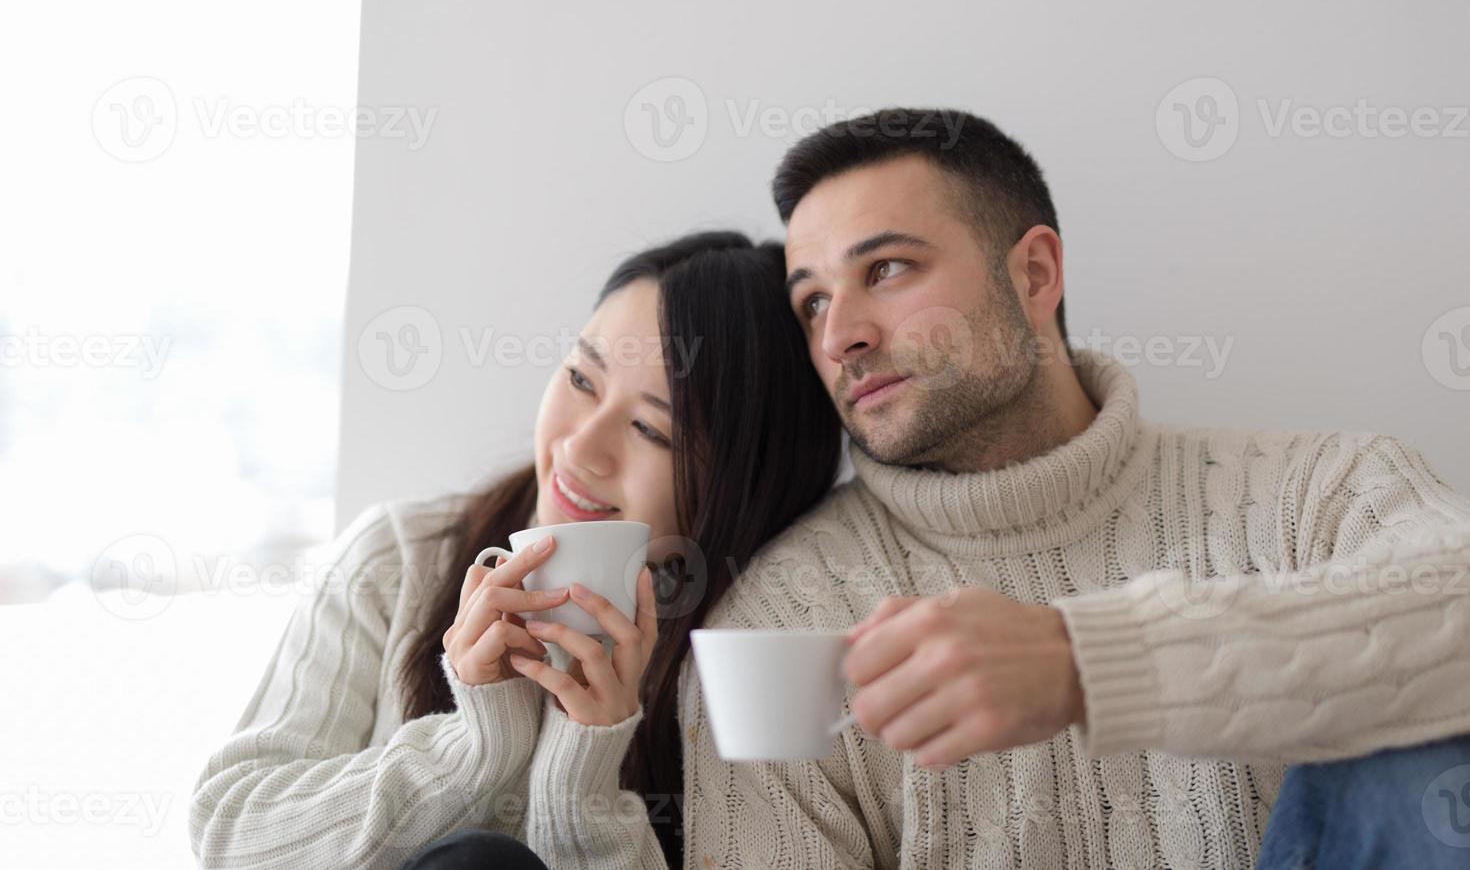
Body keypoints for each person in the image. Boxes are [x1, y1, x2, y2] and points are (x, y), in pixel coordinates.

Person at [551, 108, 1470, 869]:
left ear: (1034, 274)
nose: (842, 337)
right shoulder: (782, 619)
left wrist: (1087, 663)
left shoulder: (1318, 495)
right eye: (814, 303)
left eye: (888, 270)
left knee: (1423, 732)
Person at [187, 231, 842, 870]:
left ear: (743, 481)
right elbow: (229, 831)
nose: (580, 448)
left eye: (650, 428)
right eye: (582, 379)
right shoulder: (400, 560)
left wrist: (583, 774)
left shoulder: (751, 653)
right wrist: (471, 749)